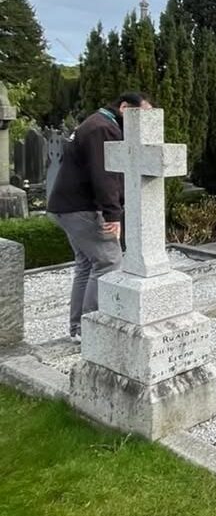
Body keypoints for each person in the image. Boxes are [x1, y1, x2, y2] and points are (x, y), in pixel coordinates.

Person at [46, 91, 151, 340]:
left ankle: (79, 328)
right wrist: (113, 214)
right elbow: (104, 174)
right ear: (124, 107)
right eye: (143, 114)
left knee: (86, 265)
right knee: (108, 261)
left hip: (68, 206)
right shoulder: (103, 128)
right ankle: (91, 329)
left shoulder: (96, 122)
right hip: (82, 208)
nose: (145, 121)